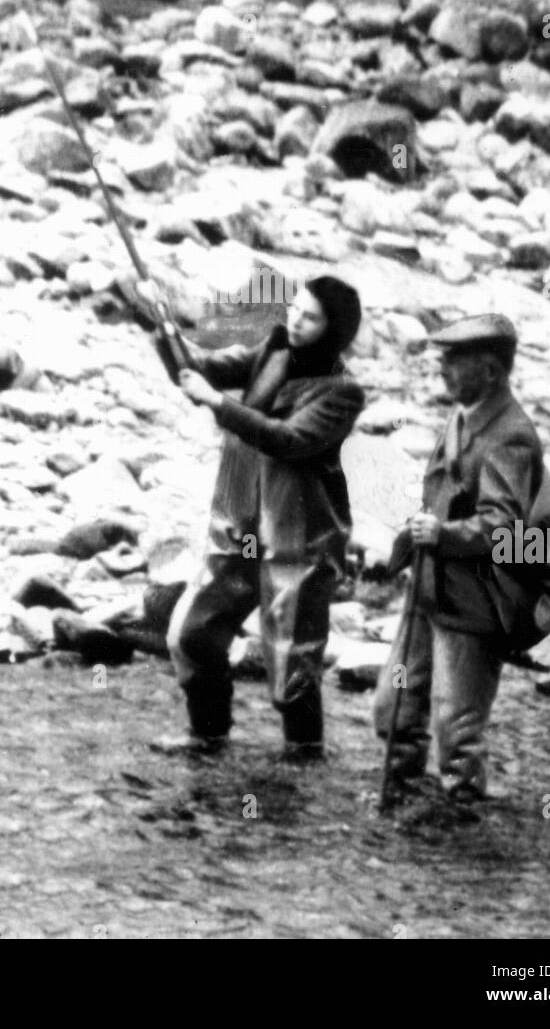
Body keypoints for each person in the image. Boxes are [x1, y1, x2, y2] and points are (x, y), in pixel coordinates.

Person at [154, 276, 365, 760]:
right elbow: (198, 369)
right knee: (192, 632)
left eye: (310, 317)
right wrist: (162, 325)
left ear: (336, 330)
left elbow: (288, 439)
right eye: (294, 308)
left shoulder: (342, 392)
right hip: (240, 523)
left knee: (292, 657)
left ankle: (303, 758)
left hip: (300, 537)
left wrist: (217, 402)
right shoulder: (274, 349)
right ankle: (207, 736)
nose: (295, 320)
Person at [373, 313, 543, 808]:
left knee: (457, 730)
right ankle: (403, 801)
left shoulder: (511, 435)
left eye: (453, 362)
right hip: (428, 589)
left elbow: (504, 525)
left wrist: (442, 534)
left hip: (472, 606)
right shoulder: (463, 414)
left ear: (490, 372)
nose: (441, 371)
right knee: (394, 707)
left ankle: (463, 826)